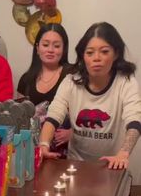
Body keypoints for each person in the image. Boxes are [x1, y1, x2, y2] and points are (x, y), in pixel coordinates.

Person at [40, 22, 141, 169]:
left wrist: (123, 154)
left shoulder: (125, 81)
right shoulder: (71, 81)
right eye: (90, 52)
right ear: (83, 56)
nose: (97, 58)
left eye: (105, 52)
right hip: (76, 164)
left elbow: (135, 119)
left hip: (112, 165)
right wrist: (44, 145)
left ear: (116, 54)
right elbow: (54, 115)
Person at [17, 23, 72, 155]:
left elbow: (85, 112)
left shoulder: (73, 75)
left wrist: (73, 134)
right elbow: (19, 118)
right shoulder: (26, 79)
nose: (50, 50)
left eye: (57, 46)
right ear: (37, 48)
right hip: (32, 151)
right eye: (45, 45)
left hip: (67, 152)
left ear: (64, 49)